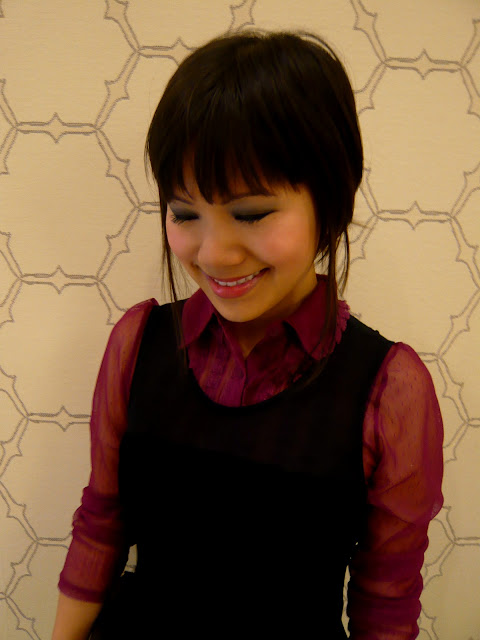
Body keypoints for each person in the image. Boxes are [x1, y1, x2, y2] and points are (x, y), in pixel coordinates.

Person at [52, 30, 443, 640]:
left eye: (252, 213)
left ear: (331, 202)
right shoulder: (138, 342)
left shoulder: (391, 390)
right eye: (185, 214)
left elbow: (385, 607)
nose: (214, 254)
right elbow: (101, 524)